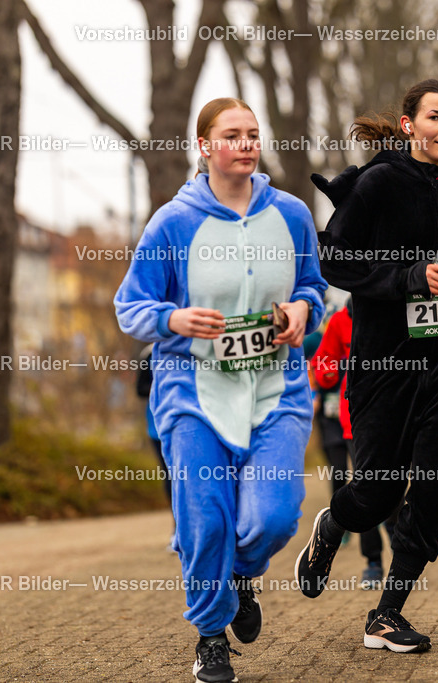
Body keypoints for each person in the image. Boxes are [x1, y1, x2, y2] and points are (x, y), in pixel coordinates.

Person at [114, 97, 326, 683]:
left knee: (275, 518)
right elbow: (130, 306)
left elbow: (315, 289)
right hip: (193, 394)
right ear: (204, 146)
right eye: (232, 135)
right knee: (204, 522)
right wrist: (172, 321)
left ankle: (239, 576)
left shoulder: (291, 214)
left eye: (252, 134)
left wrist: (304, 311)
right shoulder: (173, 222)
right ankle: (210, 635)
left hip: (275, 390)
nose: (246, 143)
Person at [295, 79, 438, 653]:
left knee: (436, 480)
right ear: (409, 124)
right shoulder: (378, 186)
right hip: (387, 362)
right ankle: (334, 525)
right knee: (378, 494)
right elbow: (336, 259)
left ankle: (387, 613)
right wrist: (409, 276)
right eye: (436, 117)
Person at [310, 297, 398, 589]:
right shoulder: (339, 321)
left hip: (395, 414)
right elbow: (323, 363)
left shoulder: (395, 309)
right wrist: (330, 372)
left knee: (393, 485)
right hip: (355, 420)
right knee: (366, 489)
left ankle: (402, 549)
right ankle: (373, 562)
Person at [136, 343, 176, 552]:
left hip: (188, 424)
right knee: (170, 477)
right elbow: (140, 389)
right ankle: (177, 529)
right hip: (157, 428)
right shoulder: (149, 354)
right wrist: (163, 385)